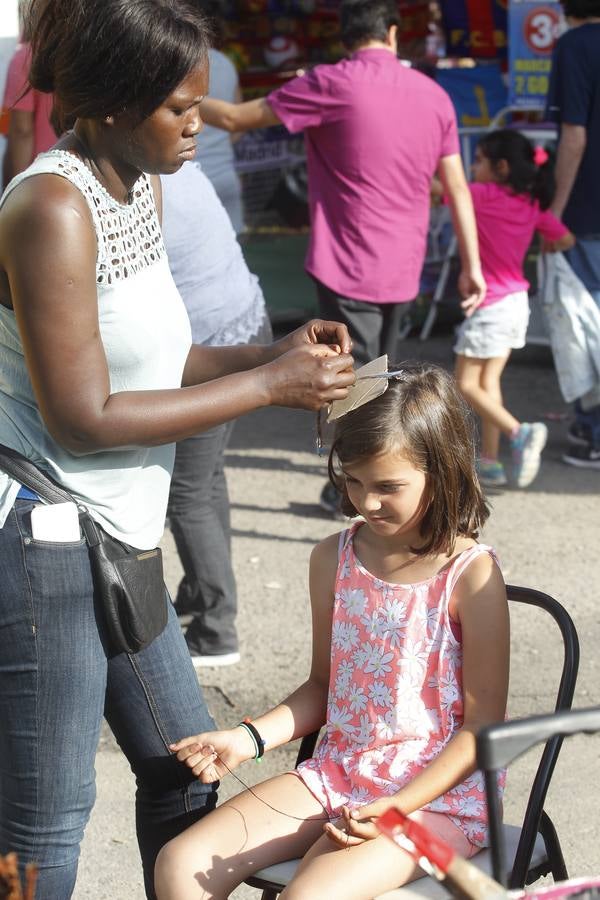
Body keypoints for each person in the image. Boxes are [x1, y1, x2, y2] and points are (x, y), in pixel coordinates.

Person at [0, 1, 355, 897]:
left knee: (180, 766)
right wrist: (271, 390)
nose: (202, 125)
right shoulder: (49, 206)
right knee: (47, 815)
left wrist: (272, 354)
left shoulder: (139, 183)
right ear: (115, 105)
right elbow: (84, 413)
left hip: (117, 534)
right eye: (180, 109)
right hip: (43, 539)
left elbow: (165, 360)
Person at [154, 362, 510, 900]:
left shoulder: (472, 574)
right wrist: (246, 741)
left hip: (442, 798)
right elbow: (324, 686)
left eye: (388, 486)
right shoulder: (333, 558)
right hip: (340, 775)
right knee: (180, 862)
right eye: (353, 480)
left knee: (310, 894)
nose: (366, 503)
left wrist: (398, 806)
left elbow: (481, 730)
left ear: (442, 469)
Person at [195, 0, 486, 513]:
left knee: (358, 386)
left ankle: (355, 489)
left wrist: (173, 94)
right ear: (393, 35)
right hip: (404, 263)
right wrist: (472, 266)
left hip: (348, 261)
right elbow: (458, 188)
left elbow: (238, 119)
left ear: (345, 37)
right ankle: (377, 482)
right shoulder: (433, 94)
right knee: (385, 378)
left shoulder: (330, 82)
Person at [161, 161, 271, 667]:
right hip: (244, 321)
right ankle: (204, 595)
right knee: (205, 482)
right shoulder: (176, 164)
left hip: (213, 344)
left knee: (185, 494)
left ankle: (216, 627)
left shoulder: (142, 175)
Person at [450, 130, 574, 489]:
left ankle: (519, 432)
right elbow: (564, 238)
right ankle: (490, 462)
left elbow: (446, 191)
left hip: (490, 305)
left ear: (500, 167)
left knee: (464, 383)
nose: (473, 168)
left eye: (478, 161)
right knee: (488, 382)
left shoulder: (484, 196)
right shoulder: (531, 205)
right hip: (516, 303)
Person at [546, 0, 600, 469]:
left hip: (587, 211)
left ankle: (594, 434)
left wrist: (555, 211)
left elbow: (575, 135)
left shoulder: (574, 46)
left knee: (587, 327)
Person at [191, 0, 245, 233]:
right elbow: (239, 123)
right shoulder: (226, 63)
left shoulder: (179, 64)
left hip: (190, 179)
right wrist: (219, 144)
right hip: (226, 175)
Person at [1, 40, 56, 186]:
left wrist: (15, 188)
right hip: (82, 175)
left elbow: (20, 130)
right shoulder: (87, 52)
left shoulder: (24, 58)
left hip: (36, 179)